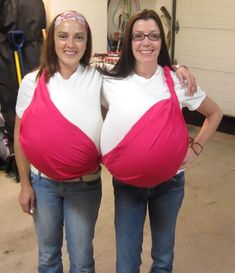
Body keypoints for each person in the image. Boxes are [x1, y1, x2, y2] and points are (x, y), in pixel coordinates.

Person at [100, 9, 223, 273]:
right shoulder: (109, 78)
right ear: (128, 41)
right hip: (127, 185)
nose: (146, 42)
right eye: (139, 36)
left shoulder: (177, 81)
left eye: (154, 36)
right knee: (126, 263)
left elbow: (215, 113)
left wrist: (196, 148)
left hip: (170, 184)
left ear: (162, 41)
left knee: (163, 258)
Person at [14, 11, 103, 273]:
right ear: (51, 40)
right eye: (63, 36)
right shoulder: (31, 82)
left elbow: (139, 72)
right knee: (48, 258)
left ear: (87, 43)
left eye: (79, 37)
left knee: (82, 261)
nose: (70, 44)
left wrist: (178, 68)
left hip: (84, 186)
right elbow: (21, 136)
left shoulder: (100, 78)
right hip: (43, 186)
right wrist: (25, 184)